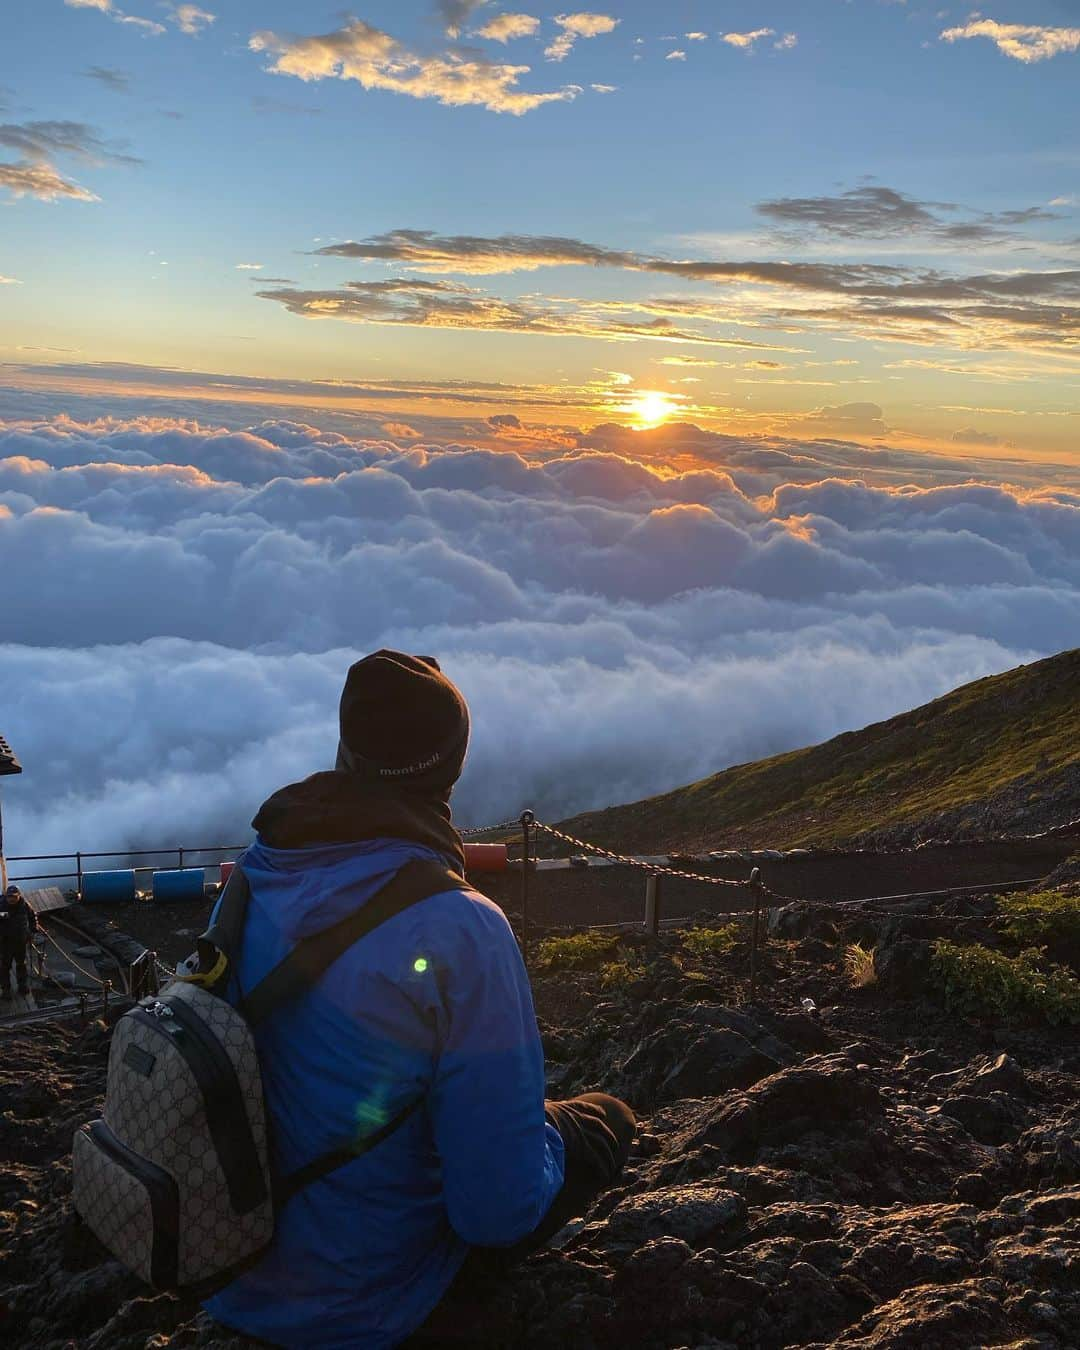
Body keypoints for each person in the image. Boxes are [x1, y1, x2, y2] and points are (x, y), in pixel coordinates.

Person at [206, 651, 635, 1350]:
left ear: (344, 749)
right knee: (602, 1120)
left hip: (231, 1280)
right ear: (451, 770)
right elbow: (498, 1213)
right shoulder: (463, 929)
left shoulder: (255, 877)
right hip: (376, 1305)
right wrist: (550, 1136)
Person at [1, 883, 39, 999]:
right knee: (4, 967)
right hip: (4, 942)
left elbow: (33, 917)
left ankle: (22, 985)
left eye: (14, 896)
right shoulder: (1, 905)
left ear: (19, 896)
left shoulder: (25, 905)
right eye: (9, 896)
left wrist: (33, 931)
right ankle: (6, 989)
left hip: (20, 942)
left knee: (21, 964)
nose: (11, 899)